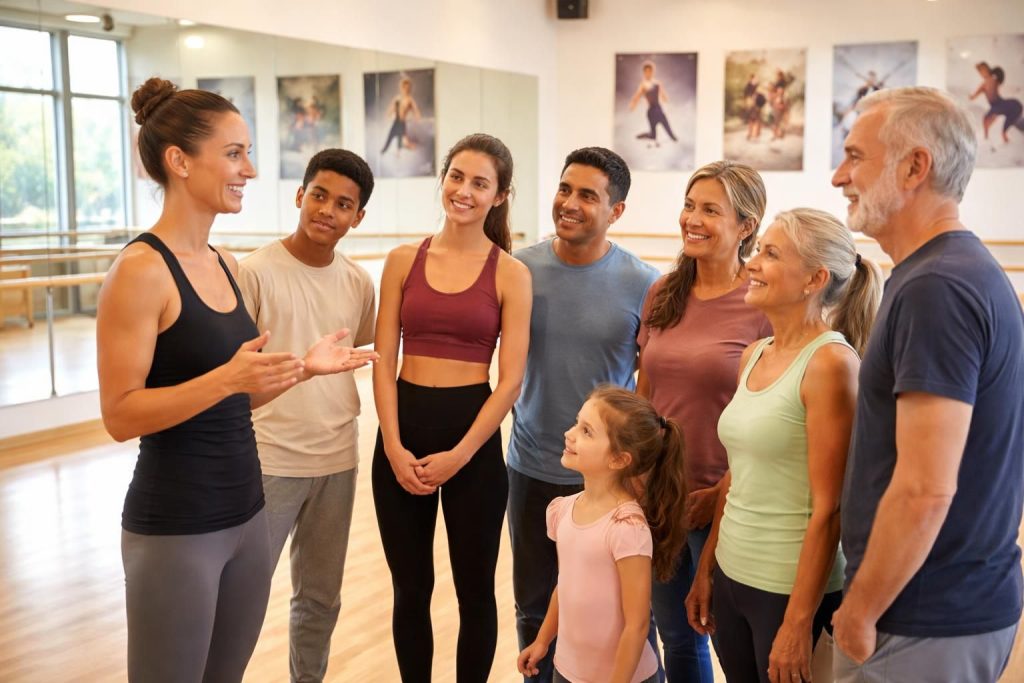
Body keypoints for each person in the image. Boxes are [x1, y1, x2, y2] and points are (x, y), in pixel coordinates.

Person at [98, 78, 376, 683]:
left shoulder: (223, 263)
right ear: (179, 161)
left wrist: (304, 368)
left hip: (245, 512)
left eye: (247, 153)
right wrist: (224, 381)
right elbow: (120, 415)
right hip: (178, 521)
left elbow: (239, 390)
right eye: (234, 153)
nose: (249, 169)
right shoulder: (141, 270)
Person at [830, 86, 1024, 682]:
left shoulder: (936, 287)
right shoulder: (945, 273)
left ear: (915, 166)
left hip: (920, 619)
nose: (840, 176)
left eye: (855, 156)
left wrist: (860, 610)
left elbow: (925, 488)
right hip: (938, 608)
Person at [685, 208, 882, 683]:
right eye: (758, 250)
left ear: (815, 278)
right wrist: (708, 566)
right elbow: (736, 473)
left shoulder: (832, 364)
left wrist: (797, 623)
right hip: (733, 574)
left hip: (788, 589)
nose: (752, 262)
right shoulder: (756, 353)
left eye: (770, 253)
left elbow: (829, 508)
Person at [372, 133, 532, 682]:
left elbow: (510, 382)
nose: (464, 191)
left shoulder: (510, 273)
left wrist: (460, 455)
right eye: (456, 176)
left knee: (474, 590)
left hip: (473, 436)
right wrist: (392, 445)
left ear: (500, 196)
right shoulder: (400, 260)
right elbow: (382, 361)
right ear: (443, 180)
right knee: (409, 588)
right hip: (403, 429)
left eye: (480, 183)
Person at [508, 146, 660, 683]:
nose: (569, 203)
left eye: (588, 195)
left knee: (620, 614)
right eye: (565, 189)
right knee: (534, 610)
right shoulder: (520, 269)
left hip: (611, 484)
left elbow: (651, 381)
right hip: (530, 468)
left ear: (615, 211)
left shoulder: (643, 283)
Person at [237, 148, 377, 683]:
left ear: (357, 218)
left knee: (320, 599)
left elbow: (357, 348)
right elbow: (237, 374)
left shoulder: (359, 283)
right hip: (269, 461)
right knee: (244, 597)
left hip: (338, 461)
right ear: (300, 195)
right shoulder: (255, 273)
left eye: (343, 204)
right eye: (319, 195)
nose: (327, 210)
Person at [637, 160, 772, 683]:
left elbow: (773, 411)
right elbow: (646, 393)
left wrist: (718, 495)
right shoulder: (663, 291)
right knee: (676, 636)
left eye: (710, 210)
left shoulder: (762, 301)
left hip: (729, 503)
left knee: (725, 640)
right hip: (660, 496)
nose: (692, 219)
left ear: (746, 225)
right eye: (690, 205)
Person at [517, 387, 687, 683]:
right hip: (566, 672)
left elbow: (637, 625)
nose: (570, 434)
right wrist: (543, 640)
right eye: (576, 423)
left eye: (586, 431)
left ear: (619, 460)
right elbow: (565, 585)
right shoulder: (563, 510)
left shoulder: (627, 528)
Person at [969, 62, 1023, 143]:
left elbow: (1005, 86)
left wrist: (1015, 89)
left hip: (1000, 103)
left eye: (984, 70)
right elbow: (975, 94)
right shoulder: (983, 85)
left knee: (1014, 112)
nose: (983, 73)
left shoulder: (994, 80)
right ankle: (986, 138)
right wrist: (972, 97)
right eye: (981, 71)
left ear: (988, 69)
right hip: (995, 106)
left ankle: (1004, 135)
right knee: (985, 119)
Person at [629, 60, 678, 146]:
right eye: (646, 71)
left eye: (650, 71)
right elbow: (637, 97)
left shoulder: (657, 83)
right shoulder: (643, 85)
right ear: (644, 72)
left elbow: (663, 96)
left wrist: (666, 99)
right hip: (651, 111)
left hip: (659, 109)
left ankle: (675, 140)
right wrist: (633, 105)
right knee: (653, 136)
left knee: (669, 131)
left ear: (652, 72)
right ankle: (639, 136)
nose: (648, 73)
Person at [381, 75, 423, 154]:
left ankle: (405, 149)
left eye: (407, 88)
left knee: (405, 143)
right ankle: (384, 152)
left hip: (402, 123)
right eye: (404, 87)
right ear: (402, 88)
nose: (406, 90)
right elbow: (391, 109)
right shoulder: (397, 98)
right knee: (389, 140)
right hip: (396, 122)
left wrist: (418, 118)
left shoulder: (410, 99)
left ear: (409, 89)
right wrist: (387, 116)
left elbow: (416, 109)